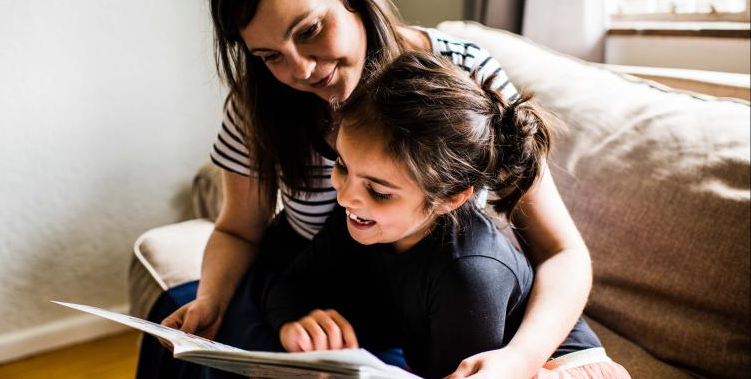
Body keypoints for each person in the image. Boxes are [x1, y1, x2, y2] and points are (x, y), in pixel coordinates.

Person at [135, 0, 594, 378]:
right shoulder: (261, 103)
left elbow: (560, 252)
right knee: (180, 337)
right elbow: (239, 229)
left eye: (310, 30)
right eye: (269, 56)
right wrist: (215, 299)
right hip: (312, 282)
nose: (299, 70)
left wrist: (521, 357)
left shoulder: (463, 77)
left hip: (427, 300)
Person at [265, 51, 630, 379]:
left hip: (543, 368)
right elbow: (289, 285)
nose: (345, 196)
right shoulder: (360, 217)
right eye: (342, 167)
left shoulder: (469, 274)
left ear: (449, 199)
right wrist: (295, 322)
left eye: (378, 191)